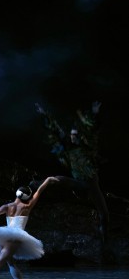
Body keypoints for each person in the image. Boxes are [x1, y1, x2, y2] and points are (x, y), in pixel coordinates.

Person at [36, 101, 108, 243]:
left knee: (104, 214)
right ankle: (37, 184)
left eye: (75, 135)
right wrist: (45, 114)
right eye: (71, 135)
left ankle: (104, 238)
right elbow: (56, 130)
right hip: (79, 182)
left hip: (92, 184)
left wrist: (94, 113)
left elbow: (91, 130)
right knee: (57, 179)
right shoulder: (68, 148)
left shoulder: (86, 147)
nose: (73, 137)